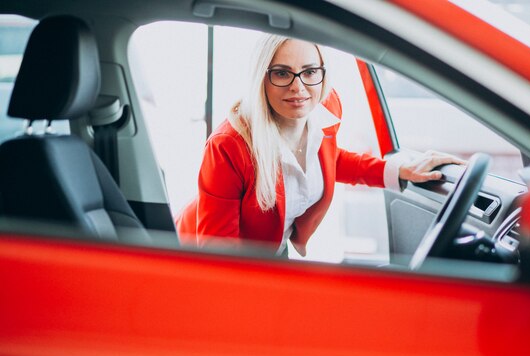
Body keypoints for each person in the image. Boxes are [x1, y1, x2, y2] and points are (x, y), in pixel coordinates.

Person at [176, 34, 464, 256]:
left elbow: (329, 159)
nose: (299, 87)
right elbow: (219, 253)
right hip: (210, 257)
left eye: (310, 72)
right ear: (261, 78)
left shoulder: (326, 106)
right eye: (282, 73)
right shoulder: (229, 146)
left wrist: (399, 170)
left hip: (272, 250)